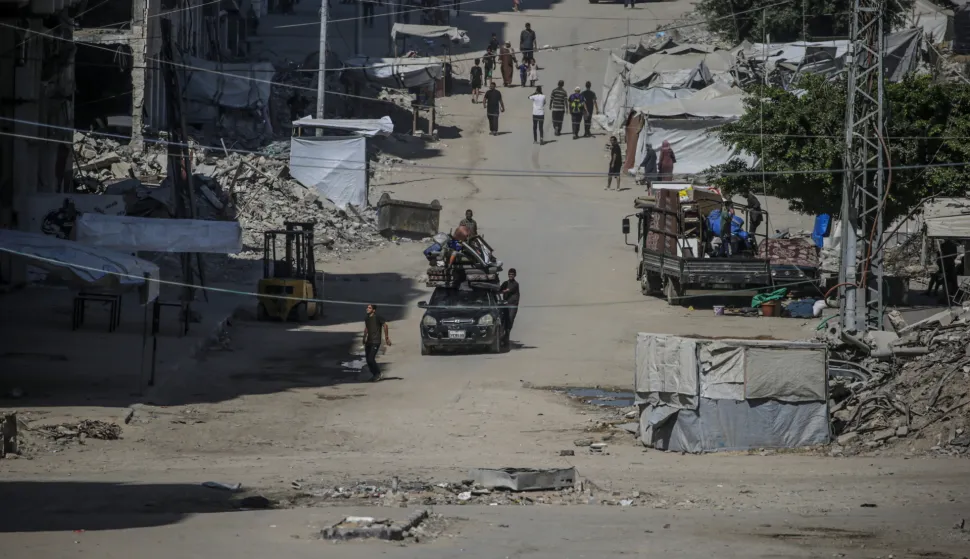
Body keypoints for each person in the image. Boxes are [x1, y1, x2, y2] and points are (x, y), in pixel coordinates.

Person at [363, 304, 391, 382]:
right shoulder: (366, 318)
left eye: (369, 308)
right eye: (367, 308)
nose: (367, 309)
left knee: (371, 359)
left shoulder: (377, 317)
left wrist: (387, 338)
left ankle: (378, 373)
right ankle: (375, 374)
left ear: (374, 310)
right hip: (369, 341)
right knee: (368, 360)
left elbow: (385, 325)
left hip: (376, 341)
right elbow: (366, 328)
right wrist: (364, 338)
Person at [500, 268, 520, 344]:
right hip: (506, 305)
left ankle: (506, 337)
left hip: (513, 306)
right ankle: (503, 337)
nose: (510, 276)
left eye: (512, 274)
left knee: (510, 320)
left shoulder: (515, 284)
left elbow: (508, 290)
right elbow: (500, 289)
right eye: (509, 274)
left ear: (515, 275)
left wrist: (502, 291)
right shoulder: (505, 283)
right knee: (504, 321)